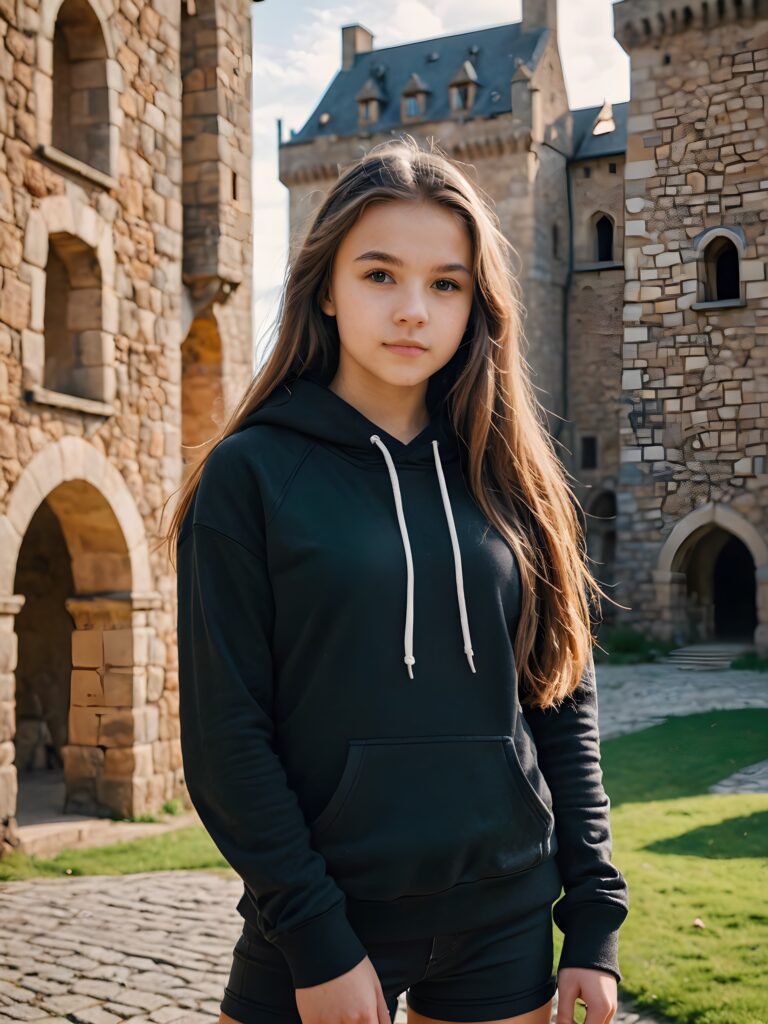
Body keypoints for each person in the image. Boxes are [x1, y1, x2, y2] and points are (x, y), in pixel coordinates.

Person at [162, 137, 630, 1024]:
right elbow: (226, 737)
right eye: (380, 275)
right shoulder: (251, 475)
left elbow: (562, 702)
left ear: (475, 305)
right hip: (321, 923)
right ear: (326, 289)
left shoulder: (511, 476)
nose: (414, 309)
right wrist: (316, 940)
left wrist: (595, 922)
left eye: (445, 283)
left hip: (507, 917)